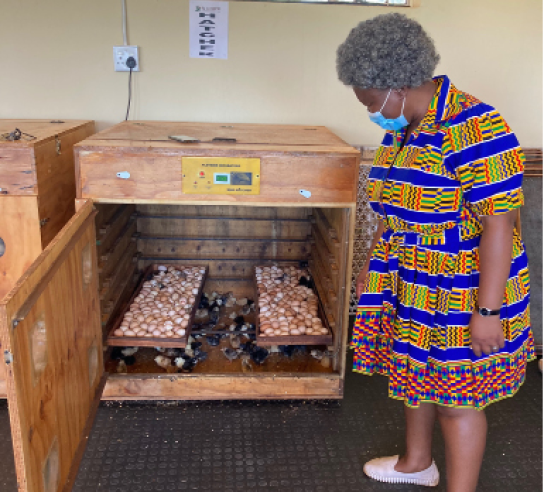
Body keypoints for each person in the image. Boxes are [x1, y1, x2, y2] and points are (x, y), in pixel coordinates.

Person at [336, 13, 535, 492]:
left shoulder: (476, 127)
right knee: (411, 372)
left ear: (397, 85)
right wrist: (370, 269)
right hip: (409, 275)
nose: (370, 111)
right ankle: (417, 462)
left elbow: (499, 225)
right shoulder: (404, 125)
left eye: (369, 101)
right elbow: (390, 206)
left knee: (456, 399)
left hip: (463, 282)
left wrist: (487, 310)